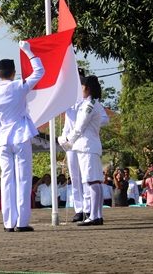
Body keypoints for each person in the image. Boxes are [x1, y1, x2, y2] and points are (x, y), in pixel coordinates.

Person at [0, 40, 44, 232]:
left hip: (4, 139)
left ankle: (8, 223)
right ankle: (22, 222)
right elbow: (39, 72)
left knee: (7, 180)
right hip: (20, 135)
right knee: (23, 178)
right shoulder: (18, 86)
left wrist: (0, 131)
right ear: (13, 73)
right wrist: (29, 51)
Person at [60, 70, 109, 222]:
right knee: (94, 180)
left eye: (81, 87)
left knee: (91, 181)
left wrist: (66, 139)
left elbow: (79, 127)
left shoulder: (88, 105)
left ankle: (93, 215)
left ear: (87, 88)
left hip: (86, 146)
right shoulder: (91, 103)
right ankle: (97, 215)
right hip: (88, 146)